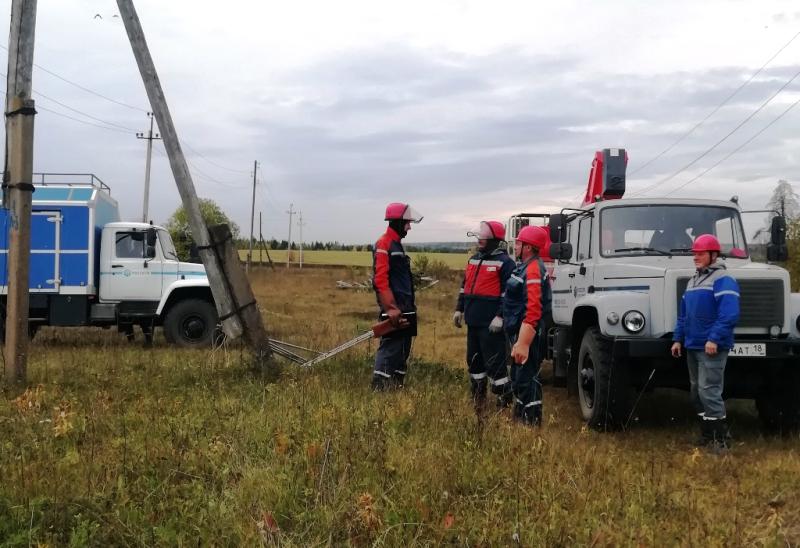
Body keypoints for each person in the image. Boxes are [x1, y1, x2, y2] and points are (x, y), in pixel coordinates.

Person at [671, 234, 740, 452]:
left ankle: (721, 440)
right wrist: (677, 339)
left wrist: (714, 339)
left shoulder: (723, 279)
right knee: (696, 393)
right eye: (694, 253)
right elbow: (683, 315)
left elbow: (729, 314)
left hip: (712, 347)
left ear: (713, 254)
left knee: (709, 391)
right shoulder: (693, 281)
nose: (696, 257)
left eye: (700, 253)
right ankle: (707, 434)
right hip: (692, 345)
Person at [453, 220, 516, 413]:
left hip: (491, 326)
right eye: (479, 236)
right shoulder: (473, 260)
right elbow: (465, 287)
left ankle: (504, 398)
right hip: (473, 322)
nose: (480, 240)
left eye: (484, 237)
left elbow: (509, 295)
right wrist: (459, 309)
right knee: (474, 361)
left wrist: (500, 317)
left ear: (495, 240)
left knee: (495, 363)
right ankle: (478, 397)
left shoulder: (506, 263)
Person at [371, 202, 423, 390]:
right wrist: (391, 308)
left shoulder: (396, 245)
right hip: (394, 310)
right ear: (397, 222)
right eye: (407, 223)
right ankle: (379, 391)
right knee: (389, 350)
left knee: (402, 352)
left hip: (405, 309)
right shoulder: (384, 244)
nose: (409, 227)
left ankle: (395, 390)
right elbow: (380, 280)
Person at [503, 226, 551, 426]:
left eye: (519, 243)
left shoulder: (532, 269)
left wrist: (523, 342)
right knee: (518, 375)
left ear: (528, 247)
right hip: (519, 330)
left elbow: (533, 309)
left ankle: (531, 421)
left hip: (528, 332)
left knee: (526, 377)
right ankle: (521, 414)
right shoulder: (526, 266)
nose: (515, 246)